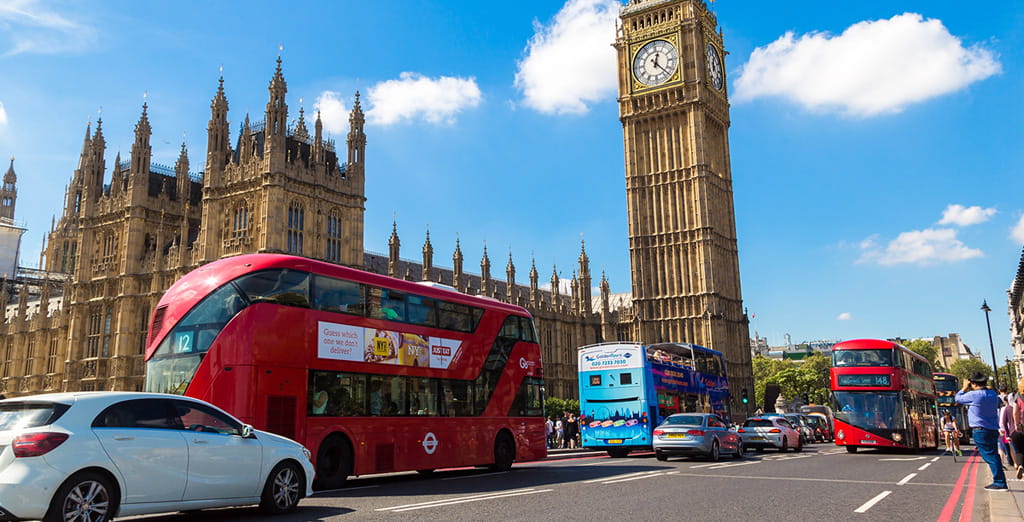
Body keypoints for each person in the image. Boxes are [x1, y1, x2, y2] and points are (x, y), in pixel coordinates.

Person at [956, 372, 1008, 491]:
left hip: (980, 430)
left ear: (974, 384)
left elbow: (958, 398)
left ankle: (1000, 482)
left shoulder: (973, 395)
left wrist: (964, 388)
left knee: (990, 456)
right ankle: (999, 480)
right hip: (992, 429)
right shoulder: (992, 394)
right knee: (993, 454)